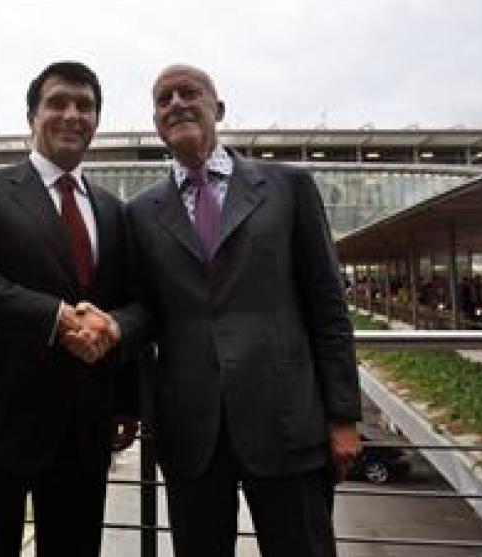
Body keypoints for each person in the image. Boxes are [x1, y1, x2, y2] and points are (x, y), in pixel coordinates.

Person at [89, 64, 363, 557]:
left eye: (188, 92)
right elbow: (143, 309)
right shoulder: (141, 213)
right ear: (156, 124)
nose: (176, 103)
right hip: (190, 431)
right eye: (164, 99)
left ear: (218, 108)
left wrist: (343, 416)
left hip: (287, 420)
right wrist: (120, 371)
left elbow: (327, 306)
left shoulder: (289, 188)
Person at [0, 61, 137, 557]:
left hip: (83, 432)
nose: (72, 114)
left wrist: (125, 400)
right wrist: (58, 317)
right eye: (57, 102)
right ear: (32, 117)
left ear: (96, 121)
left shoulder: (115, 210)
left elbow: (131, 304)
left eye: (85, 106)